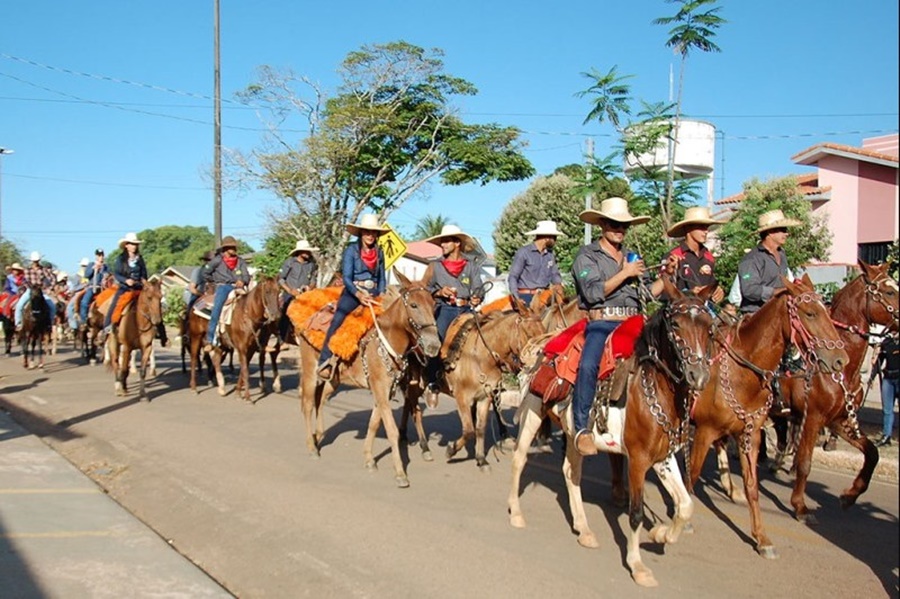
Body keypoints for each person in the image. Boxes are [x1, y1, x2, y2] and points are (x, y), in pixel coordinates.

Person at [570, 197, 675, 456]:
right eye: (615, 225)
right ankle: (582, 427)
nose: (620, 230)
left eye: (624, 226)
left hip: (635, 322)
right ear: (603, 225)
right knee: (588, 364)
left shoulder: (632, 257)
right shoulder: (587, 255)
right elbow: (593, 291)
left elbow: (649, 294)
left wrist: (666, 276)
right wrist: (625, 273)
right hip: (602, 322)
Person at [316, 214, 388, 381]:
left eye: (373, 232)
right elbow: (347, 277)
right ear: (361, 233)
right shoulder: (351, 250)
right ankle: (324, 361)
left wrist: (382, 293)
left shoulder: (380, 252)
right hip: (353, 292)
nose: (370, 235)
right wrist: (358, 294)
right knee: (338, 320)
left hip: (374, 293)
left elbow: (382, 277)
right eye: (366, 232)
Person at [421, 224, 484, 406]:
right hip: (445, 309)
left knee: (482, 339)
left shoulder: (471, 266)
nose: (443, 244)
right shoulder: (435, 266)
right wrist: (440, 293)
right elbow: (426, 289)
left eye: (447, 241)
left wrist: (477, 298)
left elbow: (478, 287)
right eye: (442, 241)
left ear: (457, 243)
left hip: (466, 309)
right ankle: (433, 383)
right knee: (435, 341)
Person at [737, 209, 801, 314]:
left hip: (779, 312)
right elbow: (749, 290)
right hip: (755, 315)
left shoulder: (782, 254)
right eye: (783, 230)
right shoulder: (751, 259)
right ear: (770, 232)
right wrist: (778, 292)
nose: (786, 233)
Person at [664, 206, 727, 303]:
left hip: (705, 313)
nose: (706, 231)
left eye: (707, 227)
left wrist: (717, 292)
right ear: (688, 227)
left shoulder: (709, 257)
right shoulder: (673, 256)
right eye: (701, 227)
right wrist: (689, 294)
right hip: (681, 314)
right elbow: (662, 293)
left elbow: (711, 284)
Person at [203, 236, 251, 352]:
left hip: (238, 287)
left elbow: (246, 275)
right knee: (217, 309)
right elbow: (206, 273)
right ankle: (210, 339)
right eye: (231, 247)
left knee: (252, 306)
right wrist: (215, 281)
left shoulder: (240, 261)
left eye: (234, 247)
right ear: (226, 248)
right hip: (223, 287)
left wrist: (243, 281)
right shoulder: (217, 260)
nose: (234, 249)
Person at [100, 233, 148, 342]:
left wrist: (143, 281)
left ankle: (161, 333)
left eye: (135, 244)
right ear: (126, 245)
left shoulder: (140, 259)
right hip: (124, 287)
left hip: (138, 287)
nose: (134, 246)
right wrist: (126, 280)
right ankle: (106, 328)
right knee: (115, 304)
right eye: (131, 244)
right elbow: (117, 274)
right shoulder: (120, 259)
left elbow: (144, 274)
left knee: (154, 303)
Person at [507, 220, 565, 308]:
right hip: (526, 297)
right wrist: (516, 297)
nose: (555, 240)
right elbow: (513, 276)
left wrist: (558, 284)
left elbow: (554, 274)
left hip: (545, 296)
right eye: (554, 237)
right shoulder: (524, 252)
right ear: (547, 237)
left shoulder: (550, 255)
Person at [277, 239, 319, 342]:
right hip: (290, 293)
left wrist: (310, 287)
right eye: (306, 251)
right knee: (284, 312)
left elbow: (313, 279)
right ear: (300, 252)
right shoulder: (290, 262)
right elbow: (281, 279)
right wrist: (290, 290)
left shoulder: (311, 264)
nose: (308, 253)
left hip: (305, 294)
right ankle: (281, 340)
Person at [14, 251, 57, 331]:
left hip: (41, 291)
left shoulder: (43, 270)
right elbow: (25, 281)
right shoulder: (27, 270)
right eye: (34, 261)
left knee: (52, 307)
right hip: (30, 290)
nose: (35, 262)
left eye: (36, 261)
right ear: (32, 261)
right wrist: (30, 287)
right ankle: (19, 323)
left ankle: (50, 323)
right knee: (19, 305)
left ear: (39, 260)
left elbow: (52, 278)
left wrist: (49, 289)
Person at [872, 330, 899, 447]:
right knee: (887, 410)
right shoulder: (887, 342)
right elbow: (880, 361)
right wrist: (872, 377)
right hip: (888, 378)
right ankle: (886, 436)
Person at [80, 249, 110, 329]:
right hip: (92, 287)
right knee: (84, 302)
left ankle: (109, 321)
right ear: (96, 256)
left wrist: (106, 275)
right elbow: (86, 275)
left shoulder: (106, 266)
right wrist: (93, 269)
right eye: (99, 255)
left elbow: (109, 275)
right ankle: (84, 321)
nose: (101, 257)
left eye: (102, 255)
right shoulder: (91, 264)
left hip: (103, 288)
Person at [184, 250, 216, 315]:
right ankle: (187, 317)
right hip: (197, 294)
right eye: (208, 260)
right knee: (193, 303)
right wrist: (203, 295)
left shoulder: (217, 273)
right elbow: (192, 288)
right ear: (205, 261)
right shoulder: (198, 271)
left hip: (211, 295)